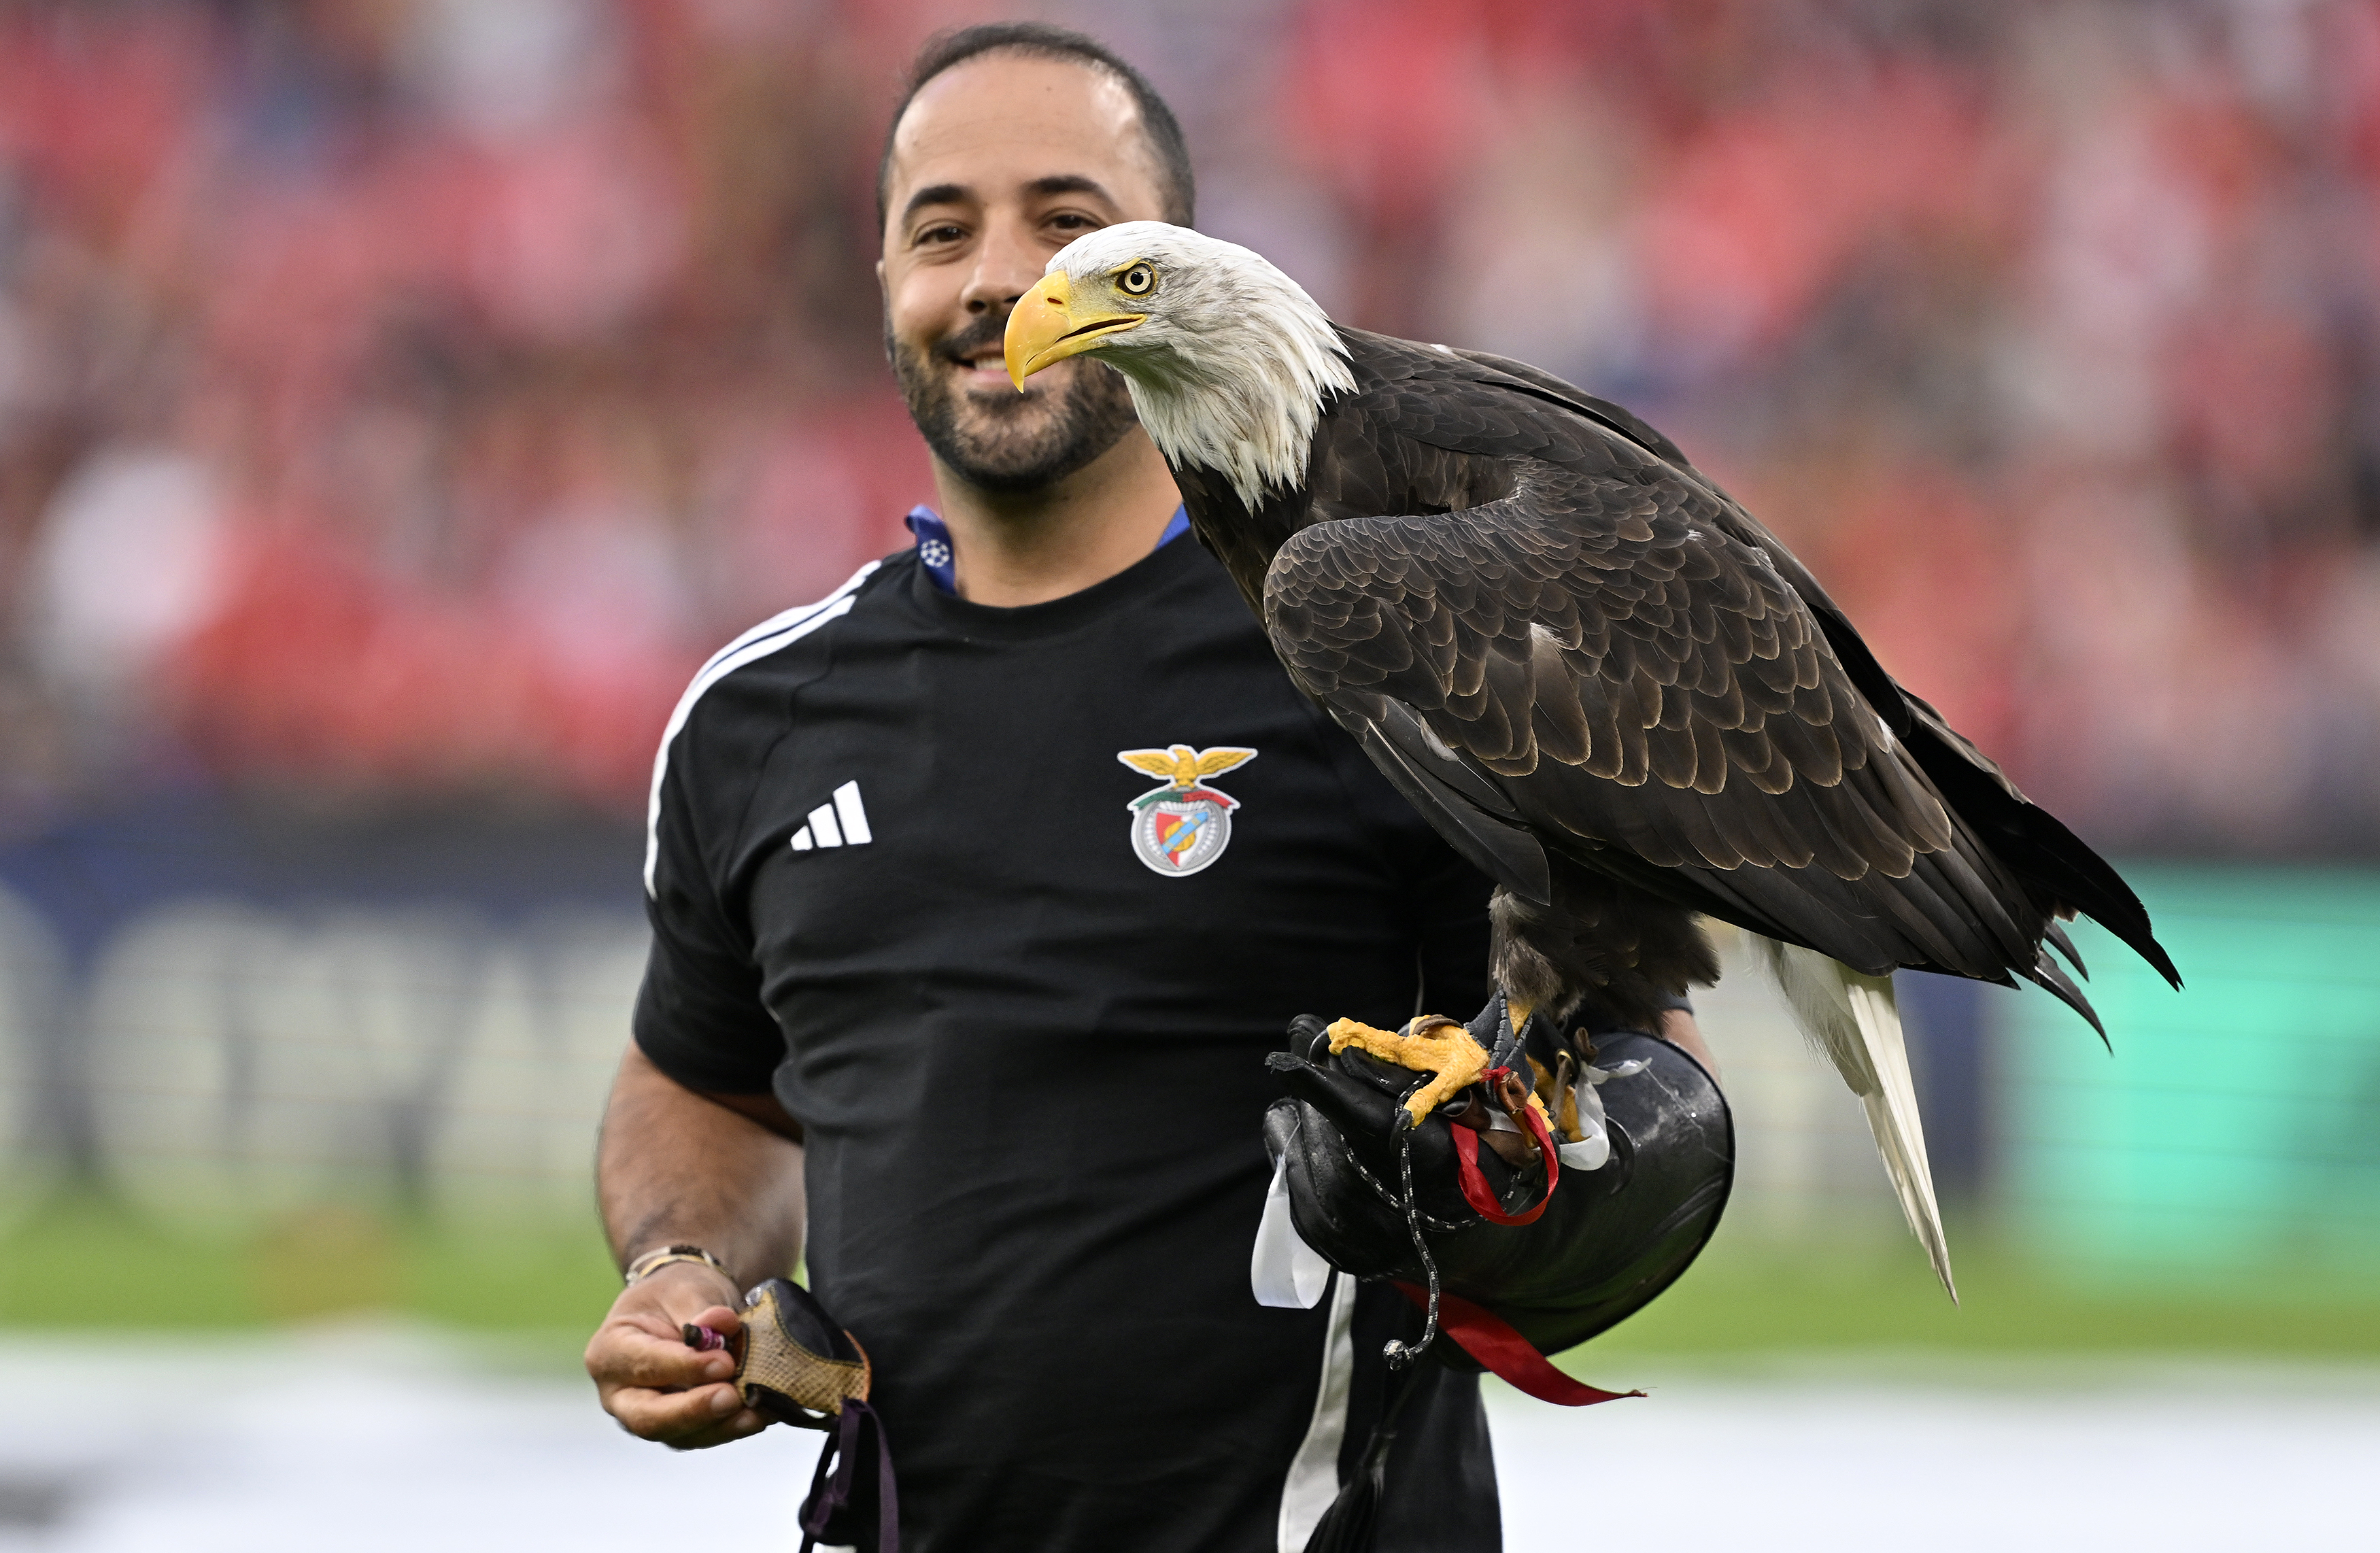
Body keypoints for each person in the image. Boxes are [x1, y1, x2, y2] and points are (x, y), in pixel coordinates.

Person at [582, 24, 1713, 1553]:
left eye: (1069, 224)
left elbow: (1645, 1081)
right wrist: (676, 1263)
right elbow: (702, 1080)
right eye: (941, 229)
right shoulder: (755, 713)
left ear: (1178, 270)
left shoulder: (1379, 649)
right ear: (884, 287)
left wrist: (1518, 1183)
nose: (1002, 279)